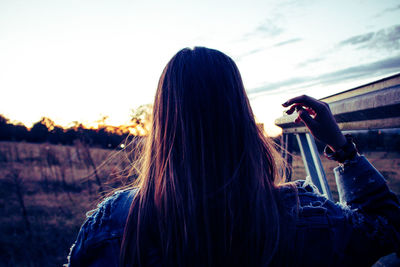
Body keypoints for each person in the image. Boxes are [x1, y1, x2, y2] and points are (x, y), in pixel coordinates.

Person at [67, 47, 400, 267]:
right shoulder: (301, 217)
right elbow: (386, 229)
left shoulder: (113, 223)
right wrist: (342, 150)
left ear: (163, 123)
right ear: (240, 115)